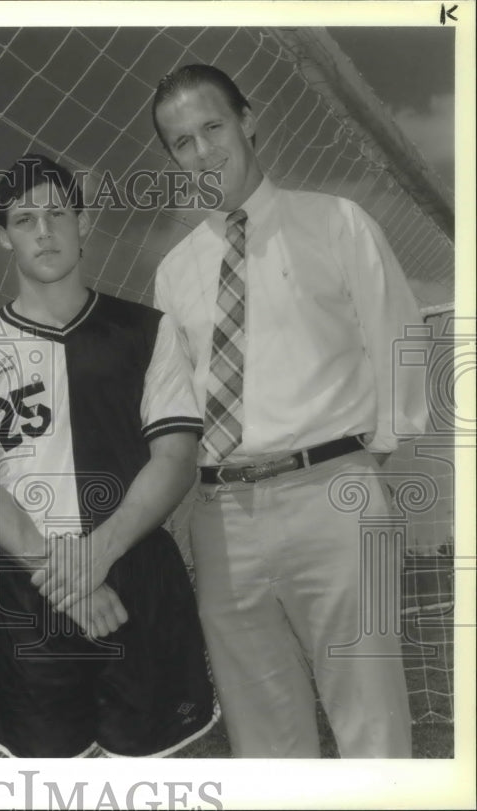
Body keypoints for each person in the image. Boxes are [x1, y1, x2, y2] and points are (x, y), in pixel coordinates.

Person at [151, 64, 429, 757]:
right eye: (181, 142)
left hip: (333, 494)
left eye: (212, 127)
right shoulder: (173, 271)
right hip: (222, 520)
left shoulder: (336, 222)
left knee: (372, 723)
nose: (202, 151)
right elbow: (175, 405)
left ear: (249, 118)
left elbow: (400, 340)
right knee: (264, 739)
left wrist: (363, 467)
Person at [0, 153, 217, 758]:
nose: (43, 229)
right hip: (27, 586)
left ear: (84, 222)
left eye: (58, 212)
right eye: (24, 217)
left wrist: (97, 557)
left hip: (136, 570)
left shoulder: (149, 329)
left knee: (150, 784)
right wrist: (72, 582)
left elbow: (175, 460)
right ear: (2, 234)